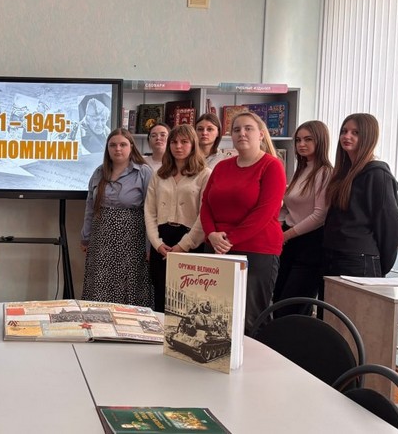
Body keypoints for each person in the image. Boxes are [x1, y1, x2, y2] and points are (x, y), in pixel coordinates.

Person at [199, 111, 285, 332]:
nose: (242, 133)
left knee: (250, 318)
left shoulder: (272, 166)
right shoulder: (221, 167)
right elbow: (206, 204)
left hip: (256, 250)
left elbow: (265, 212)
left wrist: (229, 240)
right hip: (217, 248)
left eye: (248, 128)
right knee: (214, 317)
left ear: (261, 134)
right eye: (236, 130)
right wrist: (211, 234)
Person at [323, 113, 398, 278]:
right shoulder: (344, 173)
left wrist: (381, 264)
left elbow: (391, 225)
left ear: (368, 137)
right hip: (333, 255)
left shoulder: (377, 174)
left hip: (358, 259)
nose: (347, 136)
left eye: (355, 133)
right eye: (344, 131)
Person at [81, 128, 153, 307]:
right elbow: (90, 207)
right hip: (101, 239)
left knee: (129, 285)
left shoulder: (143, 172)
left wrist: (149, 246)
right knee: (100, 282)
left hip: (132, 240)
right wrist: (85, 237)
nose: (117, 149)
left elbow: (151, 211)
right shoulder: (99, 172)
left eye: (123, 144)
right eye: (112, 145)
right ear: (107, 148)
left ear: (131, 147)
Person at [144, 124, 211, 312]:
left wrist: (184, 245)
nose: (178, 146)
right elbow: (150, 211)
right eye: (174, 142)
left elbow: (204, 214)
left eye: (184, 142)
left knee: (187, 302)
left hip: (190, 241)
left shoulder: (204, 174)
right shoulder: (159, 174)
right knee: (161, 297)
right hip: (162, 242)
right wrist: (157, 243)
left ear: (193, 144)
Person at [272, 121, 333, 317]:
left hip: (310, 244)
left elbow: (319, 215)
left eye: (308, 139)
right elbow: (287, 206)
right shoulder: (301, 169)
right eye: (298, 140)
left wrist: (287, 235)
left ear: (320, 141)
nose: (301, 144)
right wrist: (278, 227)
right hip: (289, 241)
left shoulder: (324, 172)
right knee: (277, 300)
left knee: (292, 306)